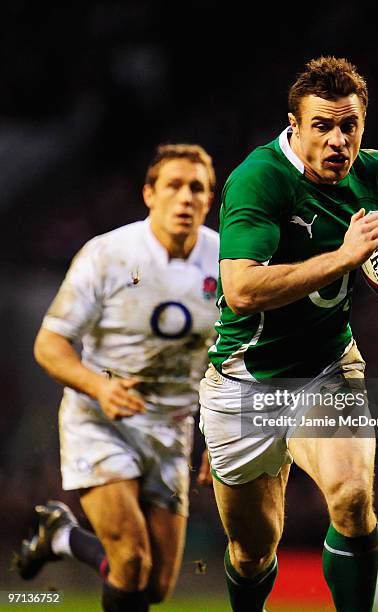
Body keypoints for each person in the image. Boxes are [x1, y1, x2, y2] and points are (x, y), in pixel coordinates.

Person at [199, 56, 378, 611]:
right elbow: (242, 288)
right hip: (244, 380)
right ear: (294, 126)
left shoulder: (376, 171)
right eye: (323, 126)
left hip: (326, 367)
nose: (339, 140)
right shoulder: (260, 178)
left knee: (352, 496)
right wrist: (343, 257)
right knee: (251, 550)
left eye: (350, 126)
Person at [14, 143, 219, 612]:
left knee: (156, 586)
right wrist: (100, 386)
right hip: (100, 418)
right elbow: (49, 345)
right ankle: (70, 537)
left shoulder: (226, 262)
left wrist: (222, 431)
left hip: (171, 426)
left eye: (197, 188)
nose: (185, 197)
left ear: (210, 200)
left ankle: (62, 537)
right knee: (130, 557)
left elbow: (238, 355)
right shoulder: (107, 254)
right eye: (173, 186)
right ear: (149, 193)